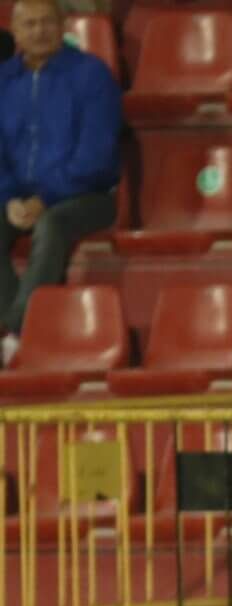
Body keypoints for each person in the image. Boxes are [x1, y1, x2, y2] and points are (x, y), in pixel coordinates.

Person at [0, 0, 120, 361]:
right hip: (17, 196)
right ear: (16, 31)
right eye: (30, 25)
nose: (39, 31)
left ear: (63, 25)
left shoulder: (92, 75)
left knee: (52, 223)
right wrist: (8, 198)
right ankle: (14, 327)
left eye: (47, 23)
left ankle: (19, 330)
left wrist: (45, 197)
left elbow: (95, 157)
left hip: (87, 194)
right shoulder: (3, 80)